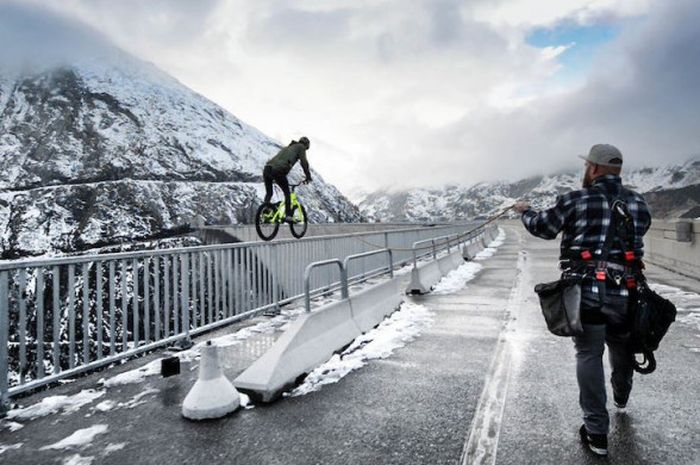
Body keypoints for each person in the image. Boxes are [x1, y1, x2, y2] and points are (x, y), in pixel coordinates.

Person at [514, 144, 652, 457]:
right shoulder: (638, 202)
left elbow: (543, 228)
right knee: (622, 345)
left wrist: (525, 212)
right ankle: (621, 394)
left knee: (588, 353)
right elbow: (641, 229)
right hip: (627, 291)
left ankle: (596, 432)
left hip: (586, 293)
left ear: (592, 168)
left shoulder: (576, 199)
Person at [263, 136, 313, 222]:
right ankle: (288, 215)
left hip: (267, 169)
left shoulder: (288, 147)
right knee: (287, 194)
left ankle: (265, 211)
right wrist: (308, 176)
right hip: (278, 171)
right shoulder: (301, 147)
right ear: (306, 145)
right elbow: (304, 162)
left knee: (269, 193)